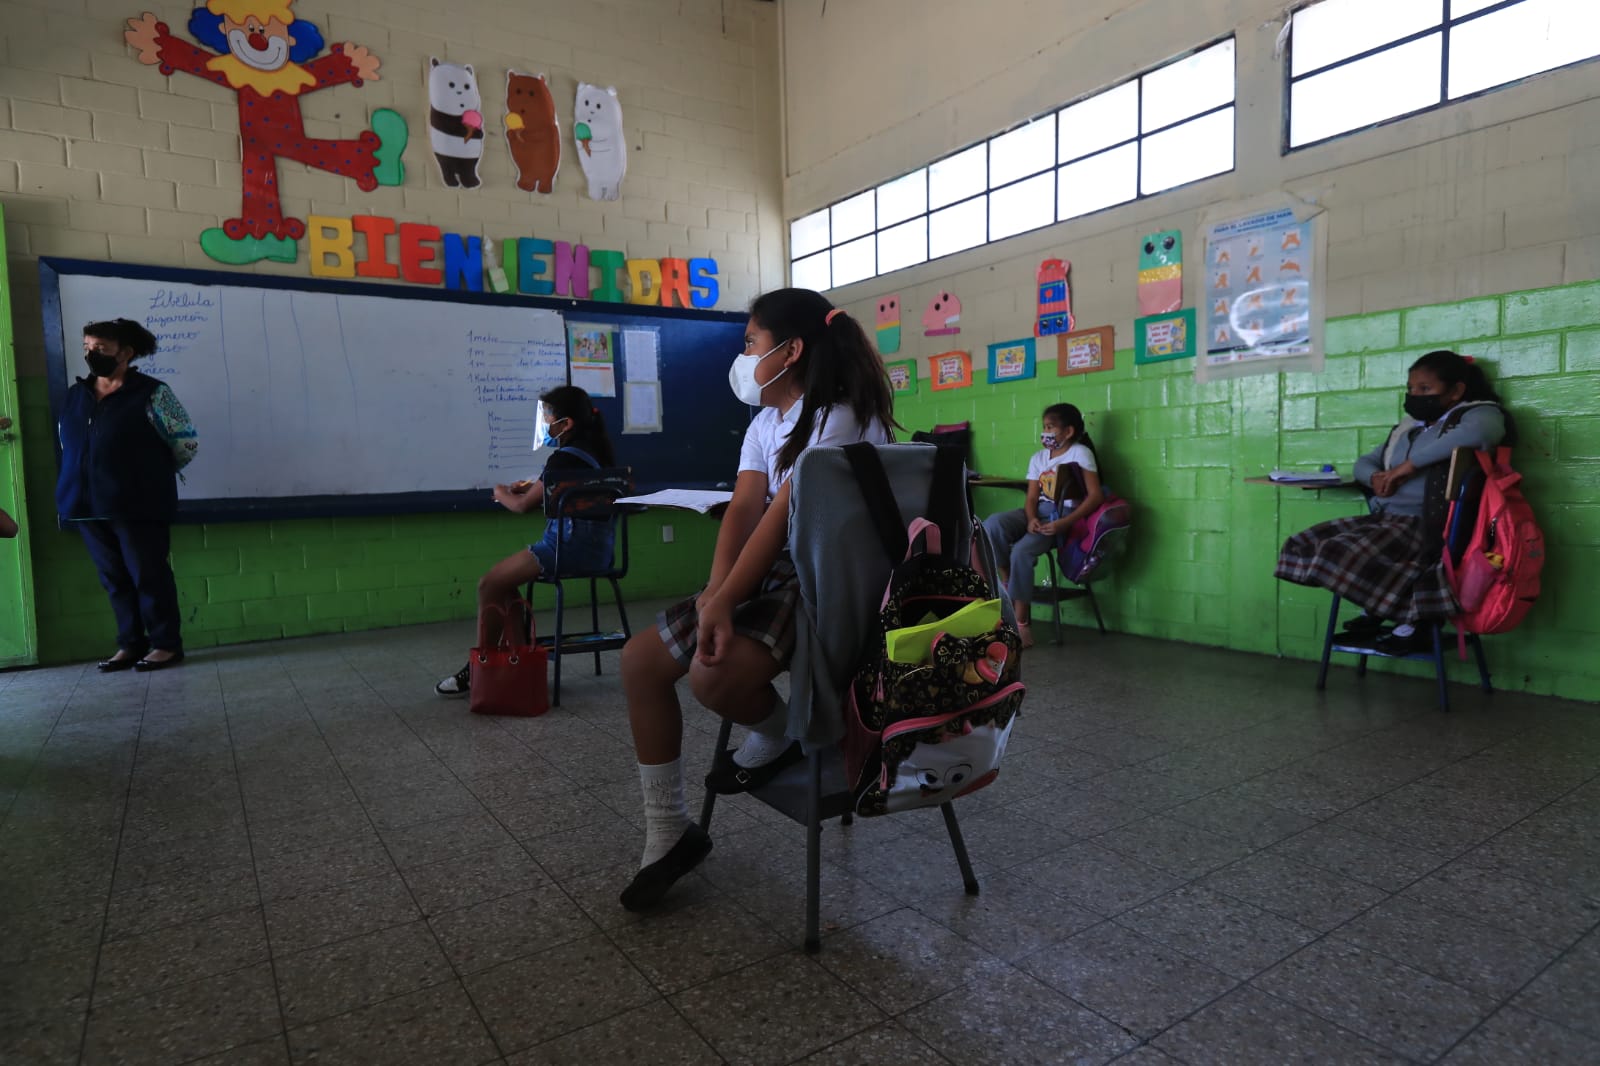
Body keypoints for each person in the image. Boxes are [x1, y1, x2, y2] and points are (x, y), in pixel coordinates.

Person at [614, 288, 898, 912]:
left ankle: (785, 733)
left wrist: (725, 598)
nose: (742, 357)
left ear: (791, 350)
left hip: (825, 581)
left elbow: (782, 518)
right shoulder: (767, 423)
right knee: (640, 663)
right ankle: (669, 831)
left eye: (750, 343)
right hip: (768, 572)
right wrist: (717, 592)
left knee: (712, 680)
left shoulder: (839, 416)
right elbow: (744, 508)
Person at [1276, 350, 1512, 655]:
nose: (1415, 396)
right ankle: (1384, 609)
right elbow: (1365, 461)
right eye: (1411, 389)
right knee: (1305, 543)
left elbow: (1481, 433)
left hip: (1424, 525)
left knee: (1337, 553)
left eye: (1425, 389)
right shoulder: (1409, 427)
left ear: (1456, 390)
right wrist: (1375, 477)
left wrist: (1408, 467)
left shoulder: (1478, 415)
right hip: (1386, 518)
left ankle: (1401, 616)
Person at [435, 385, 617, 696]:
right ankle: (517, 663)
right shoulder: (596, 455)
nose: (544, 423)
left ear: (565, 424)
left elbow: (521, 506)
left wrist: (501, 492)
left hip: (563, 550)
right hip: (599, 553)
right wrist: (534, 486)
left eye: (547, 417)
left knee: (489, 584)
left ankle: (482, 666)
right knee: (503, 584)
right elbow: (550, 491)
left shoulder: (561, 461)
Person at [56, 319, 199, 672]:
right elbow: (67, 443)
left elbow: (185, 443)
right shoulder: (77, 395)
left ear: (126, 353)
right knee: (114, 580)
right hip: (86, 504)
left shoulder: (153, 392)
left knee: (148, 575)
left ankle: (166, 645)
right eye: (87, 348)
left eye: (101, 349)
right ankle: (130, 644)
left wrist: (148, 474)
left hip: (137, 503)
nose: (92, 355)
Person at [981, 403, 1104, 648]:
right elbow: (1030, 498)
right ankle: (1008, 580)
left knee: (1022, 551)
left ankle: (1021, 624)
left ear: (1068, 432)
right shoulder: (1038, 458)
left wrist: (1063, 523)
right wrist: (1031, 518)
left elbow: (1095, 496)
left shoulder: (1080, 453)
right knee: (992, 524)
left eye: (1051, 427)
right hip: (1037, 513)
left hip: (1064, 517)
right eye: (1044, 427)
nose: (1045, 432)